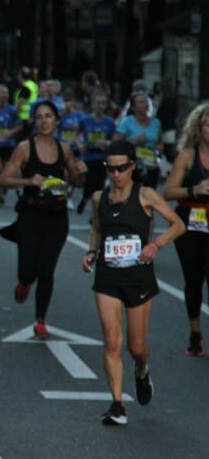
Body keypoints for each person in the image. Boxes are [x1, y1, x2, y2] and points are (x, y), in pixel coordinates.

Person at [82, 140, 184, 425]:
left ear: (133, 166)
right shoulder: (98, 198)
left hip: (138, 277)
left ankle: (142, 370)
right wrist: (91, 252)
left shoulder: (146, 195)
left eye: (122, 168)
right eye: (111, 169)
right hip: (108, 276)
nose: (116, 174)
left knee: (135, 347)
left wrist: (156, 245)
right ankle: (117, 404)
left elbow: (179, 224)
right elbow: (97, 230)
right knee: (112, 341)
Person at [0, 100, 88, 339]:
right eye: (39, 117)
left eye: (48, 116)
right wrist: (29, 181)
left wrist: (81, 173)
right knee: (28, 271)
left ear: (57, 120)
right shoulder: (25, 148)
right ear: (35, 121)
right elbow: (3, 179)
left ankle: (40, 320)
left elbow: (75, 182)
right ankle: (24, 283)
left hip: (57, 216)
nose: (44, 121)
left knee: (47, 270)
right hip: (30, 215)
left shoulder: (65, 149)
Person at [163, 104, 209, 356]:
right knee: (193, 279)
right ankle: (195, 331)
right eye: (208, 124)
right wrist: (194, 190)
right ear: (199, 128)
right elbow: (168, 192)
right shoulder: (187, 156)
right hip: (190, 220)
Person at [77, 93, 117, 214]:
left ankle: (96, 211)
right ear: (93, 104)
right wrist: (80, 145)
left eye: (103, 103)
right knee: (89, 181)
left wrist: (106, 142)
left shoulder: (109, 122)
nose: (100, 106)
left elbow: (114, 139)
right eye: (97, 103)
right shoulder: (85, 120)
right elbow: (77, 135)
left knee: (99, 183)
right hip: (88, 156)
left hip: (102, 156)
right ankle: (85, 198)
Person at [113, 93, 162, 188]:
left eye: (146, 102)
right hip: (132, 166)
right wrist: (134, 141)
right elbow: (116, 144)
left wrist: (159, 149)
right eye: (141, 102)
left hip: (151, 165)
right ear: (133, 108)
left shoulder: (156, 123)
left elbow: (160, 142)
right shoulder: (126, 122)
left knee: (149, 195)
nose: (145, 104)